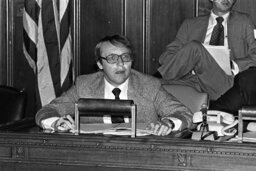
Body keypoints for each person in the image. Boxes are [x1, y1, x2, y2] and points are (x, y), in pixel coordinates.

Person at [35, 34, 194, 136]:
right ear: (99, 64)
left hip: (140, 154)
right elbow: (47, 111)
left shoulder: (149, 85)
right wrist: (55, 122)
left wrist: (168, 123)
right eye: (112, 58)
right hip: (93, 154)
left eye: (125, 57)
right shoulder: (84, 85)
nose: (121, 64)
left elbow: (184, 113)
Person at [154, 0, 256, 115]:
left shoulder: (244, 21)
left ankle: (154, 79)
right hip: (193, 79)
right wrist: (187, 62)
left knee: (195, 48)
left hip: (224, 81)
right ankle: (151, 81)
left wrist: (232, 64)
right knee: (144, 85)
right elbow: (166, 57)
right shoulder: (191, 24)